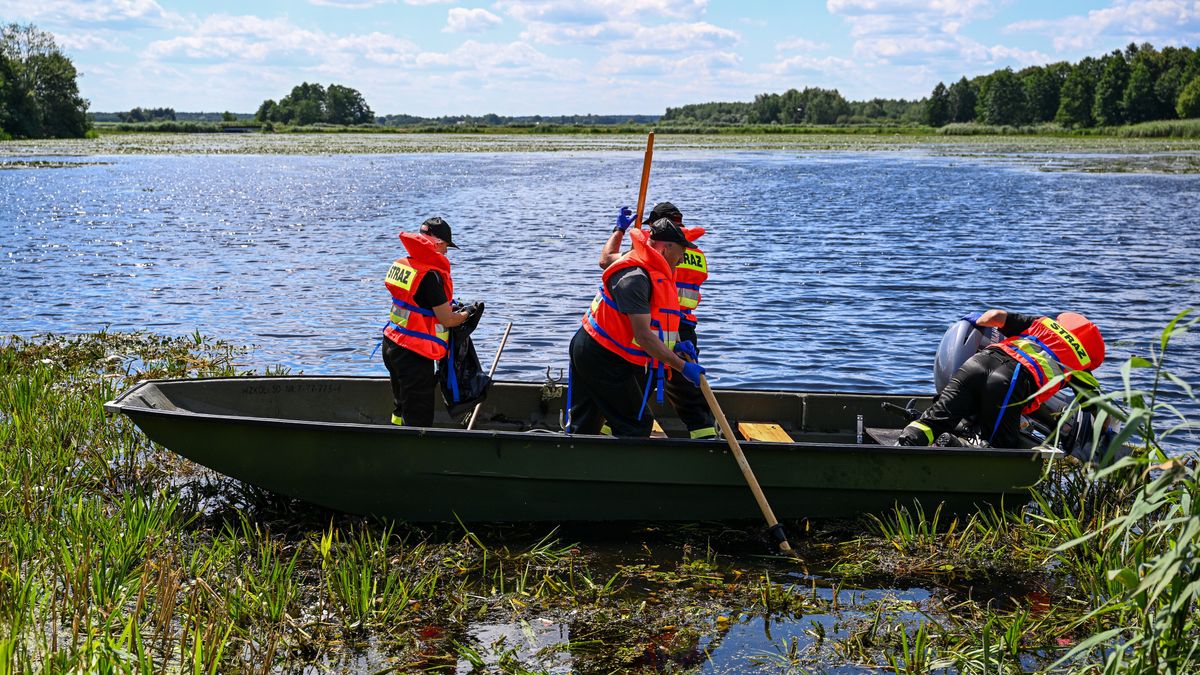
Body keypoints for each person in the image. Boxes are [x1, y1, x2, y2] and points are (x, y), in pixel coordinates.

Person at [567, 217, 707, 438]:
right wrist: (682, 367)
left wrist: (676, 345)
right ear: (665, 248)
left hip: (608, 352)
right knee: (636, 423)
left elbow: (658, 322)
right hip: (599, 353)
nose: (681, 260)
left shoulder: (656, 270)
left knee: (588, 425)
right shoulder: (635, 277)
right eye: (680, 253)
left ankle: (583, 456)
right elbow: (643, 336)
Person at [898, 309, 1106, 448]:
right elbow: (1099, 409)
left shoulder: (1041, 324)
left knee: (932, 422)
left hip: (977, 362)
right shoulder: (1081, 363)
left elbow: (994, 316)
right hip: (1009, 381)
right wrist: (1103, 435)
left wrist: (975, 320)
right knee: (1001, 446)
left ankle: (903, 447)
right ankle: (958, 447)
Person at [599, 202, 717, 439]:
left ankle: (609, 435)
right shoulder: (696, 254)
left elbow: (606, 261)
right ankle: (706, 438)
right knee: (687, 390)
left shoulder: (652, 252)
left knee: (636, 386)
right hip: (684, 328)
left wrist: (619, 230)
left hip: (654, 326)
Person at [381, 217, 479, 427]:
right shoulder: (430, 276)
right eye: (446, 247)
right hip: (413, 353)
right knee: (419, 417)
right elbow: (447, 320)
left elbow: (417, 303)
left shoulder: (404, 265)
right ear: (437, 243)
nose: (446, 253)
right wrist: (467, 313)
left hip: (391, 343)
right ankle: (415, 446)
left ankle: (395, 436)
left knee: (401, 406)